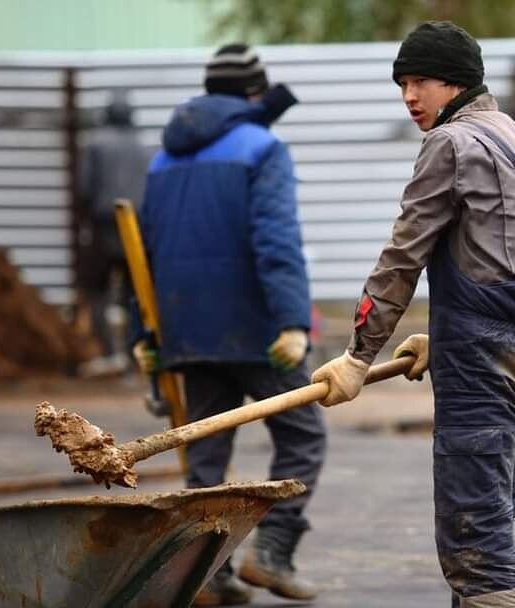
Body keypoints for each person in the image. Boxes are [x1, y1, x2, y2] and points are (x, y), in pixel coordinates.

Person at [311, 21, 515, 608]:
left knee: (480, 555)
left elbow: (402, 257)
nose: (408, 97)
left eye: (419, 81)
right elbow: (500, 256)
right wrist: (441, 335)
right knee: (485, 531)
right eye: (401, 83)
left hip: (482, 373)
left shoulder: (450, 144)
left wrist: (357, 355)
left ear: (456, 82)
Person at [133, 44, 324, 606]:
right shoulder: (262, 147)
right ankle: (272, 555)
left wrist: (146, 336)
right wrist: (292, 321)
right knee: (303, 435)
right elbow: (276, 240)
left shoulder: (163, 160)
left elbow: (142, 251)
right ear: (253, 94)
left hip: (186, 330)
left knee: (206, 454)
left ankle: (207, 574)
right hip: (255, 331)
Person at [77, 92, 151, 368]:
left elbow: (85, 187)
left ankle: (108, 353)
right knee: (136, 292)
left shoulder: (95, 145)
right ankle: (136, 356)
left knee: (97, 290)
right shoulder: (144, 147)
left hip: (104, 224)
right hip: (137, 227)